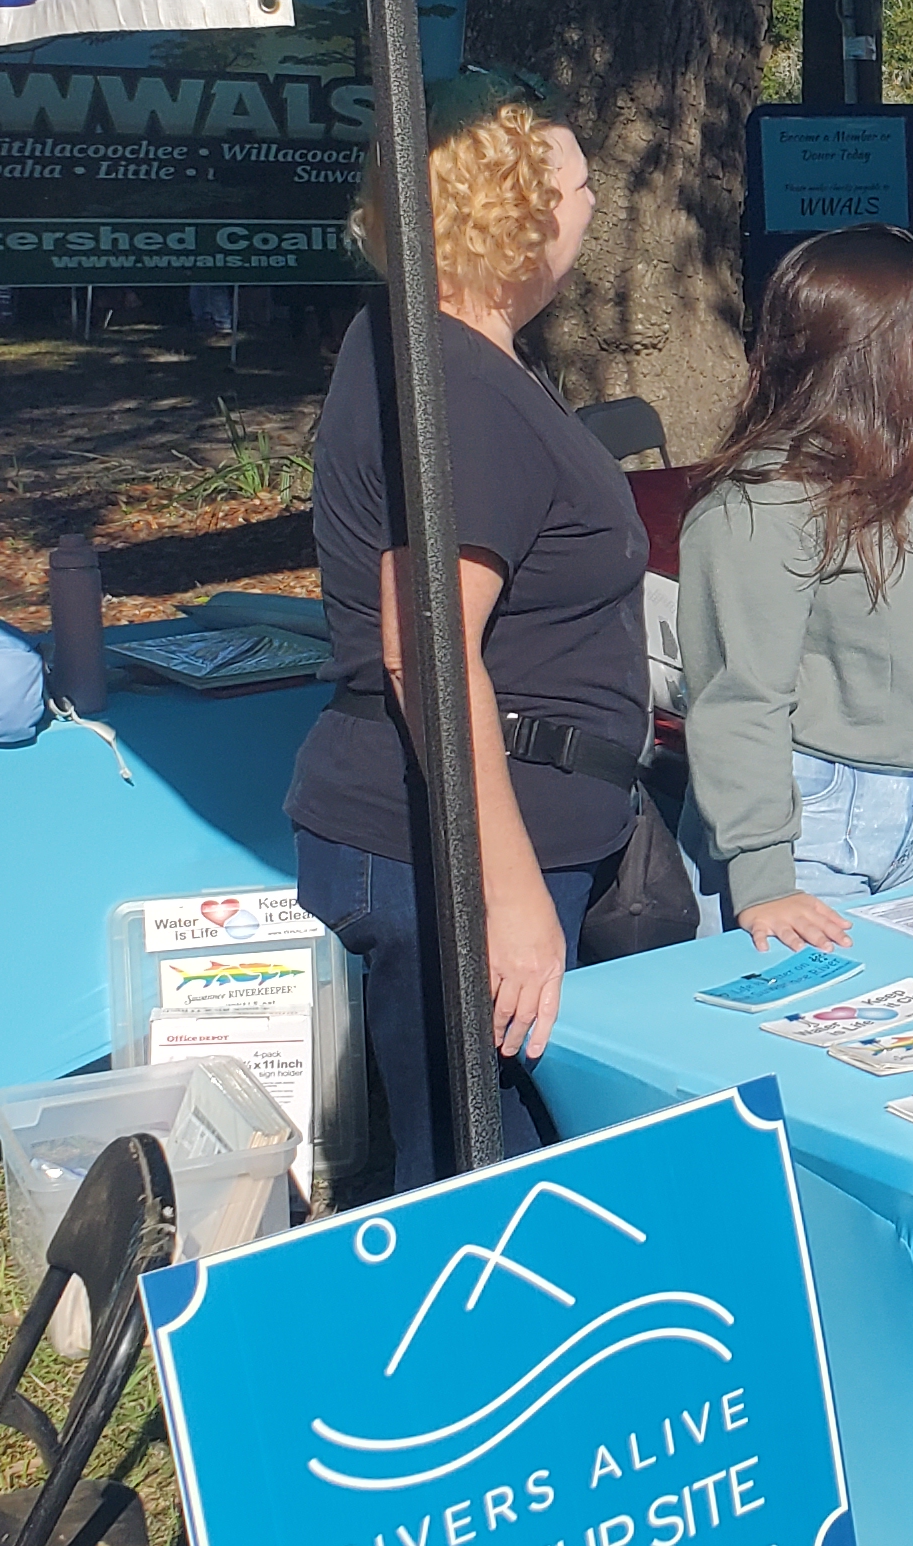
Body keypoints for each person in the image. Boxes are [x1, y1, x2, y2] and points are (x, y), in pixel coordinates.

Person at [284, 66, 656, 1193]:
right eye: (583, 183)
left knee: (503, 1162)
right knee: (479, 1183)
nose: (592, 208)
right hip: (457, 856)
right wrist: (504, 895)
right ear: (521, 208)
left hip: (495, 832)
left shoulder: (438, 356)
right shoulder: (454, 380)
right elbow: (426, 649)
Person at [679, 224, 913, 948]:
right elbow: (741, 696)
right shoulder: (767, 498)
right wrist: (763, 878)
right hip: (805, 829)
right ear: (868, 344)